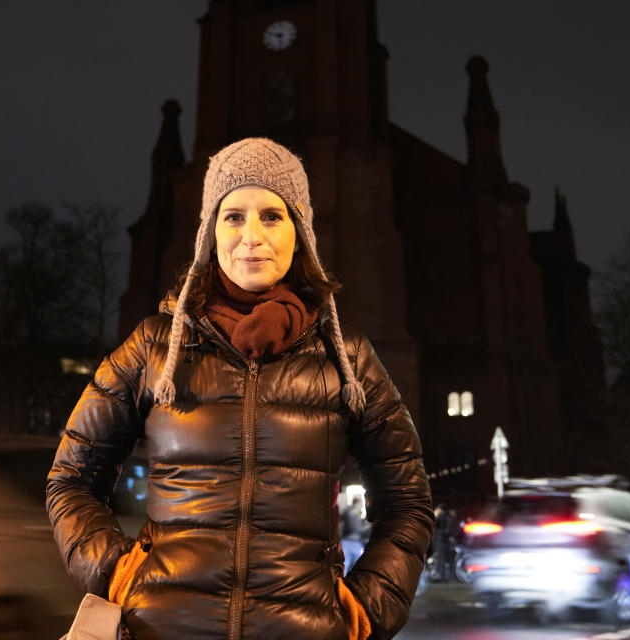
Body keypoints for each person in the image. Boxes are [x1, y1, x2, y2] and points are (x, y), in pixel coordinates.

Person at [47, 138, 434, 640]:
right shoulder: (153, 345)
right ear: (211, 232)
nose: (251, 235)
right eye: (233, 216)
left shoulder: (348, 358)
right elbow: (70, 479)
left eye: (272, 215)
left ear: (300, 232)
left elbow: (408, 501)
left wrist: (363, 613)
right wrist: (122, 576)